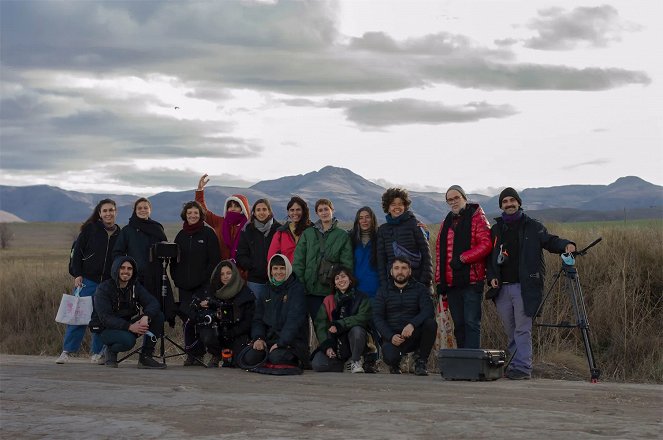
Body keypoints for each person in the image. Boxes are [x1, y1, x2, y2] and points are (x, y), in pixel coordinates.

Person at [486, 188, 576, 380]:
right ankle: (515, 365)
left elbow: (551, 241)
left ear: (519, 203)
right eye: (505, 201)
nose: (509, 204)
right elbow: (490, 257)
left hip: (524, 287)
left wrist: (566, 245)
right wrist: (492, 275)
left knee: (522, 329)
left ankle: (523, 367)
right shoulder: (496, 229)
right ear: (501, 205)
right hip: (501, 289)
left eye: (512, 200)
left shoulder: (533, 227)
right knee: (510, 330)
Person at [57, 199, 121, 364]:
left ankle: (97, 353)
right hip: (88, 280)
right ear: (99, 213)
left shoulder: (120, 234)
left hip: (108, 283)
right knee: (78, 315)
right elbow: (76, 253)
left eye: (111, 210)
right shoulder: (89, 230)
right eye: (105, 210)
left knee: (101, 317)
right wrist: (77, 274)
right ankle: (67, 351)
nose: (108, 213)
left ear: (116, 212)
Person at [435, 185, 492, 349]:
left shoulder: (477, 218)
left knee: (471, 323)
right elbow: (440, 253)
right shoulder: (446, 222)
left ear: (464, 198)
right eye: (449, 200)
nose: (453, 202)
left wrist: (463, 258)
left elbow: (486, 244)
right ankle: (462, 362)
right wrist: (440, 281)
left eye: (456, 198)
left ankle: (473, 363)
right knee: (459, 324)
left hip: (472, 281)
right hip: (451, 284)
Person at [169, 201, 221, 365]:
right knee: (188, 322)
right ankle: (193, 354)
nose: (192, 215)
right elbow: (174, 261)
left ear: (201, 215)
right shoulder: (181, 235)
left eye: (196, 213)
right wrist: (176, 278)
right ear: (185, 215)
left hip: (203, 286)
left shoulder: (208, 234)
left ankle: (214, 353)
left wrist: (205, 282)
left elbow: (214, 261)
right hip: (184, 287)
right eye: (189, 213)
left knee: (205, 320)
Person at [93, 256, 165, 369]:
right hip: (106, 329)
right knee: (128, 341)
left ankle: (145, 357)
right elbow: (105, 318)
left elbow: (153, 303)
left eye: (129, 268)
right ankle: (110, 350)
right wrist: (130, 327)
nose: (126, 271)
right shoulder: (103, 289)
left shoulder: (135, 286)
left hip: (127, 326)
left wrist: (147, 316)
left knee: (158, 316)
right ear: (116, 269)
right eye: (122, 268)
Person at [112, 198, 175, 321]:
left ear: (150, 210)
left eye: (145, 208)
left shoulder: (157, 228)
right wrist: (125, 268)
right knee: (131, 314)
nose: (143, 210)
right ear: (134, 210)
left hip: (156, 277)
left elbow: (164, 251)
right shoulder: (127, 230)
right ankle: (130, 337)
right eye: (139, 208)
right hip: (135, 279)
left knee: (156, 312)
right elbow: (117, 253)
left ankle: (150, 339)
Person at [293, 198, 353, 324]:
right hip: (310, 289)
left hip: (331, 290)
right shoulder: (308, 234)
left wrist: (341, 286)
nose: (324, 212)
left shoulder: (342, 236)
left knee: (330, 324)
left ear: (332, 210)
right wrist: (300, 284)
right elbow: (299, 261)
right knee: (315, 324)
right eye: (320, 210)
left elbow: (346, 265)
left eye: (326, 209)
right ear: (317, 213)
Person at [241, 254, 308, 369]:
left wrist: (281, 343)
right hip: (270, 339)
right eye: (275, 268)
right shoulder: (266, 290)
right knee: (250, 358)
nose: (279, 272)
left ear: (288, 269)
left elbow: (294, 321)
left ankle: (298, 361)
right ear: (270, 271)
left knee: (276, 358)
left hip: (292, 342)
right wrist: (259, 338)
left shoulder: (296, 289)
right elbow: (258, 319)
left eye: (282, 268)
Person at [373, 257, 437, 376]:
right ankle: (396, 364)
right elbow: (377, 317)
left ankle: (421, 361)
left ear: (410, 271)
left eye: (404, 268)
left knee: (430, 324)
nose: (400, 271)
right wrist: (390, 336)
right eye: (396, 268)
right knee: (390, 357)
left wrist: (412, 324)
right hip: (393, 336)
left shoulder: (420, 289)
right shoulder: (383, 291)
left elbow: (428, 311)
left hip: (414, 334)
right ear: (391, 271)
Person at [192, 260, 255, 367]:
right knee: (207, 334)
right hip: (218, 330)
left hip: (238, 332)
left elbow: (248, 320)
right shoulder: (212, 291)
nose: (225, 277)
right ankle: (216, 355)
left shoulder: (244, 293)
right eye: (222, 274)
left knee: (238, 363)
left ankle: (230, 355)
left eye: (229, 273)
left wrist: (232, 332)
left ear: (234, 274)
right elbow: (197, 314)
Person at [312, 266, 372, 373]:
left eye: (344, 277)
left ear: (350, 279)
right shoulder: (328, 300)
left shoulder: (362, 297)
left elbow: (363, 317)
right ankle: (343, 365)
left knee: (357, 330)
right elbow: (321, 325)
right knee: (318, 364)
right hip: (336, 343)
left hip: (355, 341)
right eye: (337, 278)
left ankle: (355, 361)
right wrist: (327, 347)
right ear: (334, 284)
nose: (341, 280)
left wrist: (340, 324)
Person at [376, 188, 432, 290]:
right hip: (392, 284)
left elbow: (426, 254)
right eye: (393, 204)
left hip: (416, 281)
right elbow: (381, 260)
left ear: (405, 206)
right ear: (387, 207)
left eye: (400, 204)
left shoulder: (415, 224)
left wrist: (424, 282)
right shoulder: (383, 230)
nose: (397, 207)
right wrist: (385, 284)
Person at [349, 206, 380, 372]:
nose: (364, 220)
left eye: (367, 217)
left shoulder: (379, 238)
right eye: (361, 217)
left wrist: (424, 232)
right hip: (358, 292)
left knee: (377, 329)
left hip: (376, 290)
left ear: (372, 219)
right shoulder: (352, 239)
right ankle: (357, 360)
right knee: (360, 328)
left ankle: (373, 362)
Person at [195, 174, 250, 261]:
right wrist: (200, 190)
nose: (232, 209)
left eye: (236, 206)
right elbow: (203, 211)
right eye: (230, 206)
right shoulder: (219, 222)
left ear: (242, 209)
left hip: (241, 270)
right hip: (222, 269)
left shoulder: (248, 227)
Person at [236, 198, 281, 300]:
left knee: (274, 310)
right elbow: (241, 254)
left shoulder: (278, 229)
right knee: (256, 311)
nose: (261, 212)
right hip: (255, 280)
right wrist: (253, 266)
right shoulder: (247, 230)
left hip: (276, 279)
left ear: (269, 211)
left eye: (264, 209)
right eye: (258, 210)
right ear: (254, 213)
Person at [267, 196, 312, 263]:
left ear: (303, 211)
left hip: (308, 272)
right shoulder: (280, 233)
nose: (295, 213)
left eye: (298, 209)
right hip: (287, 272)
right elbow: (272, 258)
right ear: (288, 212)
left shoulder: (312, 231)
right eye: (292, 210)